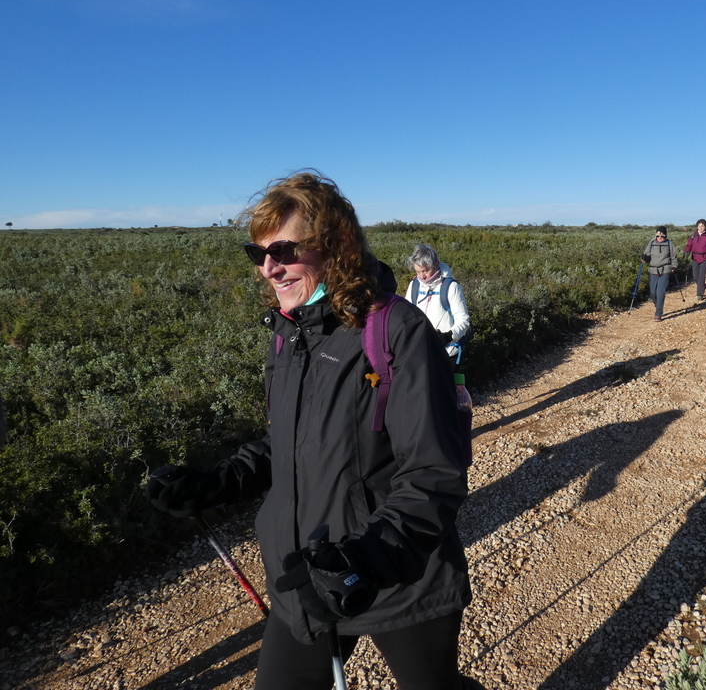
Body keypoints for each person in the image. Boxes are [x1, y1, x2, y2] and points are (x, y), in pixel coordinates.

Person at [147, 171, 482, 690]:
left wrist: (365, 560)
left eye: (283, 249)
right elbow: (291, 441)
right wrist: (218, 482)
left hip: (399, 572)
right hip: (303, 572)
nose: (268, 268)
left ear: (338, 245)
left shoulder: (397, 330)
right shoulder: (288, 333)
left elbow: (435, 472)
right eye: (256, 253)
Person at [404, 243, 472, 367]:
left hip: (447, 352)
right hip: (420, 352)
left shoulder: (451, 287)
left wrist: (447, 337)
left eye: (425, 270)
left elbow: (464, 321)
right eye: (418, 271)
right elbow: (406, 316)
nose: (422, 276)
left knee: (444, 386)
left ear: (436, 264)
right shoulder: (414, 285)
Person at [640, 226, 677, 322]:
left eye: (662, 235)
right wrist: (645, 257)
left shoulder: (669, 244)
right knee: (653, 293)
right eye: (658, 235)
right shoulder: (652, 243)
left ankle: (658, 313)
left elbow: (673, 257)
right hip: (653, 270)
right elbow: (646, 253)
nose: (659, 237)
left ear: (665, 235)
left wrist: (674, 266)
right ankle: (658, 306)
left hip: (665, 270)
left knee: (660, 293)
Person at [683, 219, 706, 300]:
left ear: (705, 227)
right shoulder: (693, 235)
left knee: (701, 276)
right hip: (695, 258)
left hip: (705, 258)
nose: (701, 227)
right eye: (699, 226)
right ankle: (703, 286)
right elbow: (689, 245)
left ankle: (700, 294)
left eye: (702, 226)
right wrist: (687, 251)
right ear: (697, 226)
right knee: (695, 276)